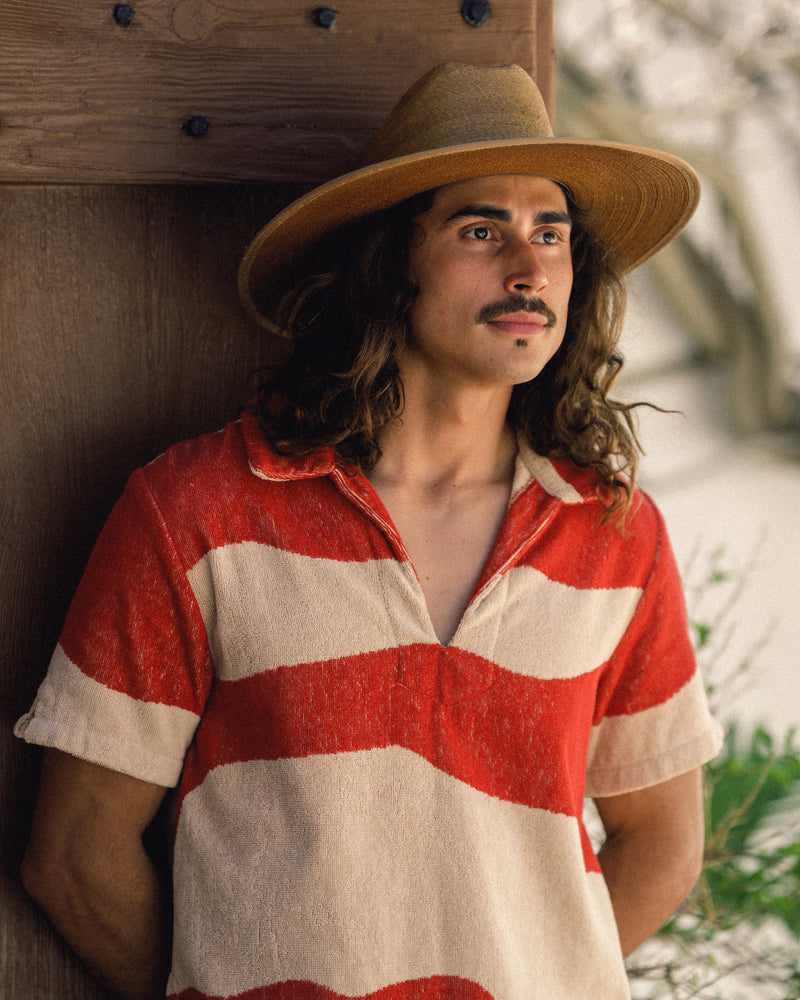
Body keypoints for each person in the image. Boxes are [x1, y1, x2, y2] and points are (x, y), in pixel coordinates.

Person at [16, 62, 723, 1000]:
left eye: (551, 233)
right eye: (482, 229)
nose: (529, 267)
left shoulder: (613, 534)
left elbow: (665, 842)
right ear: (390, 262)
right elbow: (72, 853)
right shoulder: (200, 509)